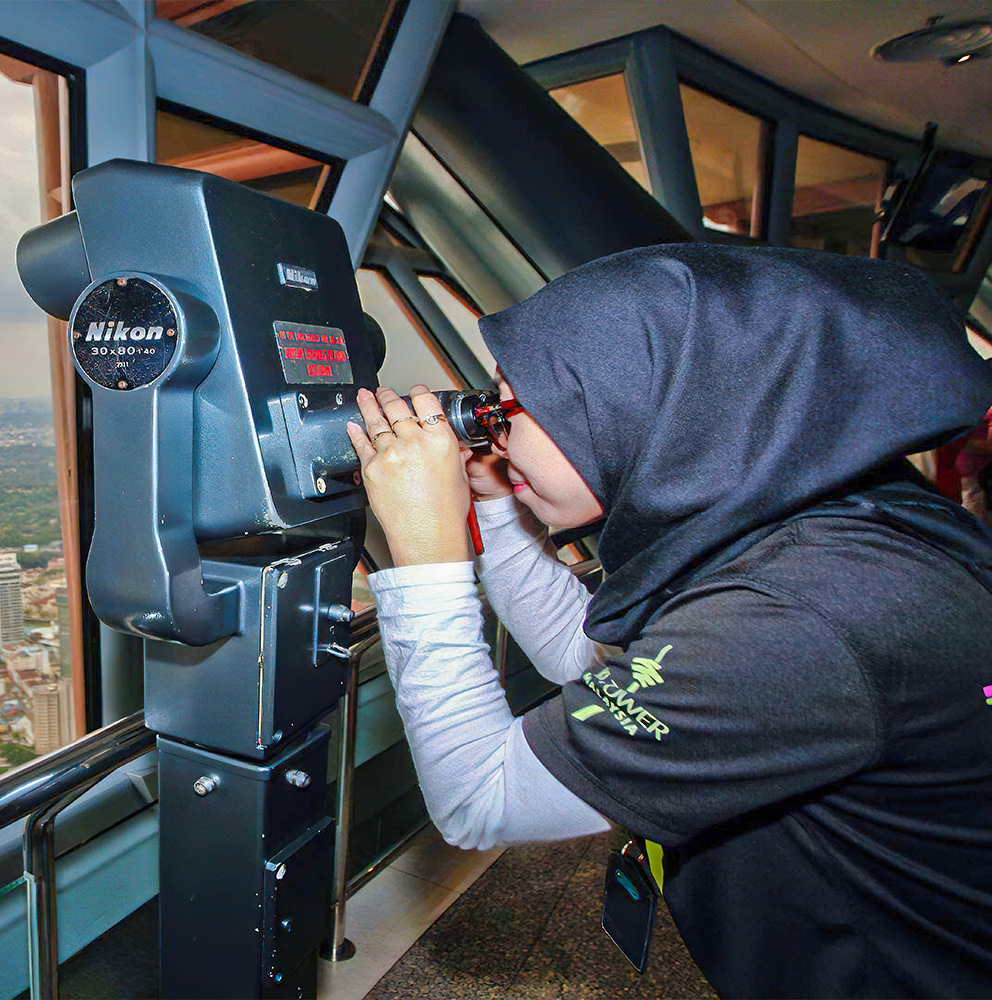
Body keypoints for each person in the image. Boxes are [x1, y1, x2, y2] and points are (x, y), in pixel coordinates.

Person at [346, 243, 992, 999]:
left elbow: (481, 799)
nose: (493, 431)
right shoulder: (816, 521)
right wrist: (492, 500)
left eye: (514, 406)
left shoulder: (803, 617)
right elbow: (580, 653)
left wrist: (423, 555)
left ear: (650, 401)